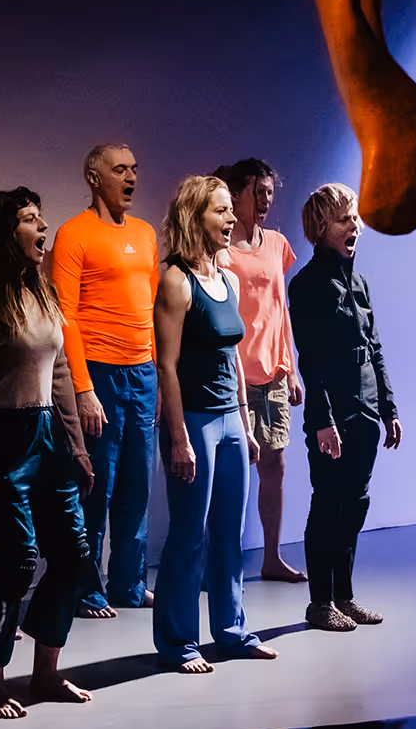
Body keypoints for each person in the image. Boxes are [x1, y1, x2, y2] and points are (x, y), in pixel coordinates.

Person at [0, 187, 107, 718]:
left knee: (73, 554)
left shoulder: (43, 290)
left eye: (42, 219)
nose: (43, 230)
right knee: (18, 562)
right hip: (0, 436)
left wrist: (78, 449)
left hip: (47, 435)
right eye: (30, 221)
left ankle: (46, 672)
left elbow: (61, 374)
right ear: (5, 232)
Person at [150, 176, 280, 672]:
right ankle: (179, 642)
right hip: (195, 423)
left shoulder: (225, 277)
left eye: (231, 211)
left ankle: (232, 631)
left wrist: (245, 423)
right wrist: (179, 437)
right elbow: (167, 365)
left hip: (229, 419)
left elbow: (234, 357)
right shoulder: (175, 281)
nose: (231, 219)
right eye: (221, 211)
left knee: (229, 531)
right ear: (194, 216)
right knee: (189, 532)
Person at [287, 183, 402, 633]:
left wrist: (389, 406)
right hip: (334, 415)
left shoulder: (359, 281)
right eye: (343, 219)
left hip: (368, 410)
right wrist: (322, 421)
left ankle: (344, 597)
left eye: (355, 218)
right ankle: (320, 604)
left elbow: (374, 347)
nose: (354, 225)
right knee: (329, 504)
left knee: (355, 506)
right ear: (320, 228)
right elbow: (309, 361)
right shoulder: (307, 285)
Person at [49, 144, 158, 613]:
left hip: (143, 373)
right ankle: (84, 586)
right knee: (97, 485)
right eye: (120, 170)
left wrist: (154, 370)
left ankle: (129, 584)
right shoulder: (73, 234)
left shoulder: (146, 233)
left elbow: (151, 309)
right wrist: (83, 387)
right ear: (94, 178)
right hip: (99, 372)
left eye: (134, 168)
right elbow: (64, 316)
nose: (131, 177)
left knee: (138, 486)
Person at [215, 158, 308, 583]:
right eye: (259, 191)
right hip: (234, 376)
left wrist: (291, 367)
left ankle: (271, 557)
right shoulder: (220, 251)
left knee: (276, 464)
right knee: (232, 472)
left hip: (273, 373)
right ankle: (222, 561)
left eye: (271, 191)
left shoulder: (277, 244)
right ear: (237, 194)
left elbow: (280, 309)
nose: (267, 199)